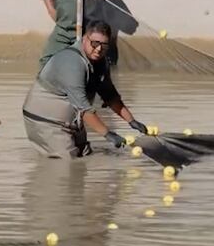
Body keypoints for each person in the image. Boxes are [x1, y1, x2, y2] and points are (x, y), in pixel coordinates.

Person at [21, 19, 149, 158]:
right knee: (67, 164)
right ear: (84, 39)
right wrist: (108, 134)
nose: (99, 49)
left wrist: (132, 121)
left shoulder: (101, 62)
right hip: (46, 121)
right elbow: (84, 108)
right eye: (95, 43)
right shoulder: (72, 63)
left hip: (72, 122)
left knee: (85, 155)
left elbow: (110, 95)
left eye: (104, 45)